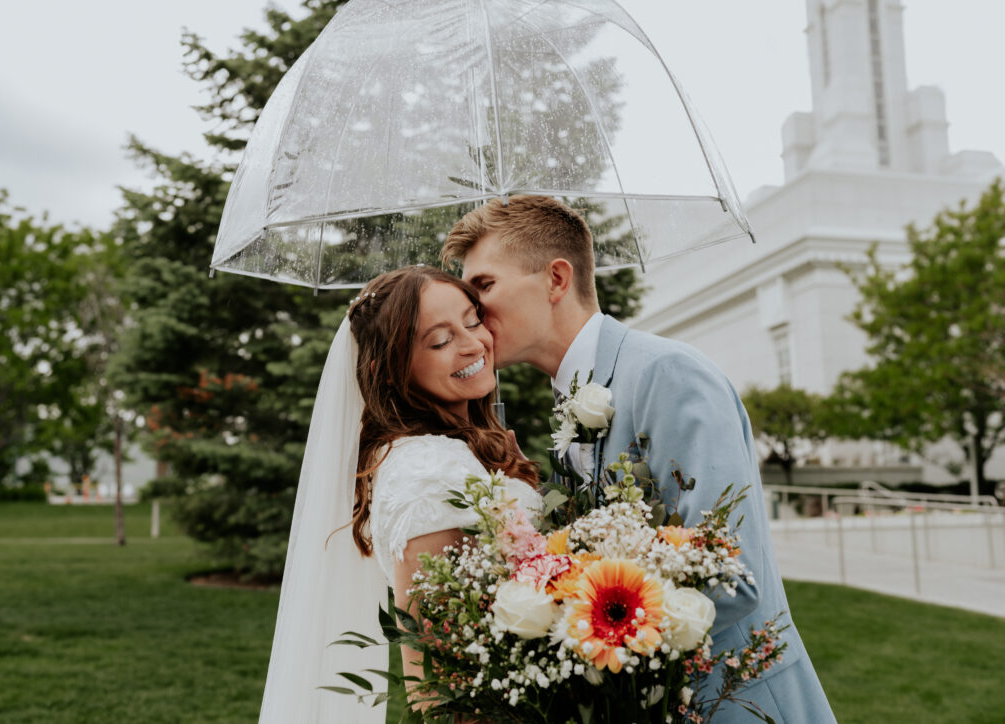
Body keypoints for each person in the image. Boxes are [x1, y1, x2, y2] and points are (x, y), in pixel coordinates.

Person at [442, 195, 836, 723]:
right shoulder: (568, 400)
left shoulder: (667, 375)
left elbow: (732, 576)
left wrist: (574, 618)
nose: (475, 312)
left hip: (737, 703)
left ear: (556, 280)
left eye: (484, 286)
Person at [258, 266, 542, 723]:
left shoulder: (455, 454)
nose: (473, 344)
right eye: (439, 340)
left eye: (472, 321)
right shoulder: (426, 472)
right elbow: (435, 685)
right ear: (390, 372)